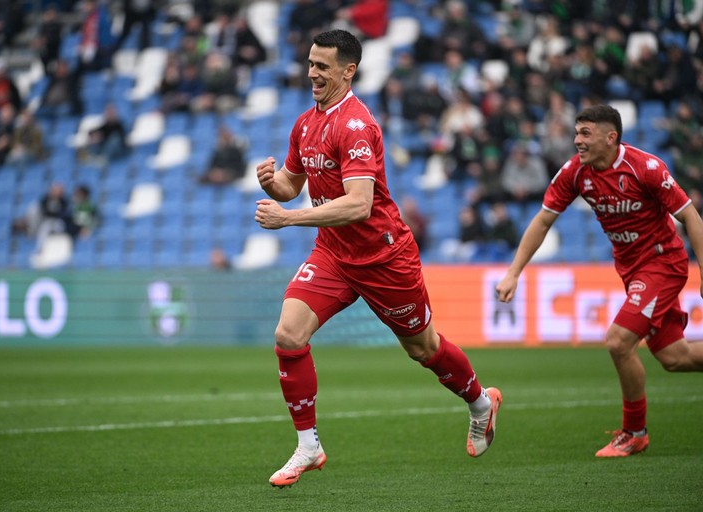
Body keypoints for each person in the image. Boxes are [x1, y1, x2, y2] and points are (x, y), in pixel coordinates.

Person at [254, 29, 502, 488]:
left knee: (422, 349)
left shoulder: (356, 125)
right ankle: (308, 446)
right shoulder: (305, 123)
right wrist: (272, 185)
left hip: (383, 257)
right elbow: (291, 183)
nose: (312, 73)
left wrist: (289, 219)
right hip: (333, 253)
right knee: (288, 335)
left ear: (348, 71)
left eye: (322, 66)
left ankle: (480, 403)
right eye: (310, 63)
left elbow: (359, 204)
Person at [496, 104, 703, 457]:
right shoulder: (575, 172)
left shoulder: (646, 168)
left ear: (611, 137)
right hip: (631, 269)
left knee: (618, 342)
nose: (577, 140)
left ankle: (634, 432)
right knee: (675, 357)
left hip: (662, 262)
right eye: (577, 133)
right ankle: (635, 430)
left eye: (585, 133)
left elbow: (691, 218)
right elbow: (543, 220)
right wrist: (514, 271)